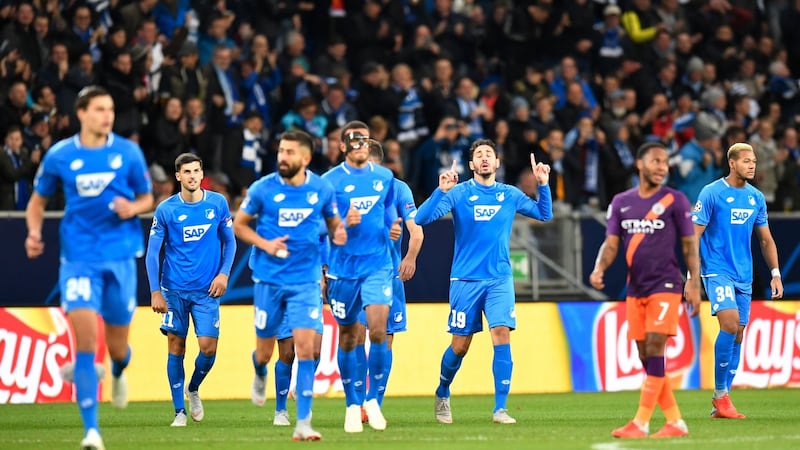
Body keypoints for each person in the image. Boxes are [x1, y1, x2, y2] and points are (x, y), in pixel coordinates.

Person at [24, 86, 154, 450]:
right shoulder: (60, 155)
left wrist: (135, 207)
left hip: (121, 257)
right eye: (99, 109)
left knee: (116, 348)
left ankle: (117, 370)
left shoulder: (128, 152)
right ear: (81, 112)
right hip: (79, 258)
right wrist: (33, 233)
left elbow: (147, 196)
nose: (107, 115)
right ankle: (92, 432)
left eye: (110, 109)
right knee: (85, 342)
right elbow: (37, 202)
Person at [414, 139, 553, 425]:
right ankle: (442, 391)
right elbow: (421, 217)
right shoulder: (459, 193)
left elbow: (544, 214)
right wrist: (440, 191)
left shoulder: (510, 194)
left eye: (489, 154)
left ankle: (500, 409)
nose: (485, 158)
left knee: (501, 332)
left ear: (497, 163)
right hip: (465, 279)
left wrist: (543, 184)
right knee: (460, 346)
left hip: (499, 278)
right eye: (479, 155)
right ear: (471, 165)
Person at [234, 130, 346, 441]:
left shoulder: (321, 189)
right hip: (269, 280)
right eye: (281, 151)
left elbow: (334, 225)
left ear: (306, 158)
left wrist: (339, 233)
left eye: (290, 152)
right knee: (265, 352)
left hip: (305, 281)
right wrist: (265, 244)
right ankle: (259, 372)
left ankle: (304, 422)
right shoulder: (263, 188)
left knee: (306, 350)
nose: (282, 156)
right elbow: (239, 225)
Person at [589, 142, 701, 438]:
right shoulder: (622, 202)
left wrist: (693, 281)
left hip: (665, 284)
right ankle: (675, 421)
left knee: (654, 346)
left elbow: (690, 245)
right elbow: (611, 244)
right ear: (640, 164)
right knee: (645, 356)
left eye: (665, 162)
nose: (662, 166)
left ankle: (640, 422)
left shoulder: (675, 200)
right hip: (635, 289)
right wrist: (600, 268)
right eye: (655, 161)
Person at [692, 142, 783, 419]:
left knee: (739, 333)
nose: (752, 165)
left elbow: (765, 239)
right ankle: (720, 396)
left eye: (753, 160)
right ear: (732, 163)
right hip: (716, 270)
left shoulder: (756, 197)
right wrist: (691, 277)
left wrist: (775, 273)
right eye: (746, 161)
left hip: (744, 274)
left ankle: (723, 401)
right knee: (730, 323)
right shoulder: (711, 193)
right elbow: (692, 237)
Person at [145, 153, 237, 427]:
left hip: (206, 291)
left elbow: (230, 244)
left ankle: (193, 388)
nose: (193, 176)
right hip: (173, 289)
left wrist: (223, 274)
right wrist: (154, 291)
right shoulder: (166, 210)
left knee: (208, 349)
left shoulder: (218, 203)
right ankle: (178, 412)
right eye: (187, 172)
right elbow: (152, 254)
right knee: (176, 345)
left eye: (197, 170)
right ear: (178, 176)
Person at [321, 120, 399, 433]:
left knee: (379, 330)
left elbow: (390, 210)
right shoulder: (328, 182)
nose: (360, 145)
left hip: (378, 264)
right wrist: (340, 224)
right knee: (350, 337)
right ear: (342, 147)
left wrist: (393, 228)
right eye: (354, 141)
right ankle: (352, 404)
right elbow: (319, 228)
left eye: (364, 140)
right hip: (343, 270)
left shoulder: (385, 176)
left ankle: (372, 401)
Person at [354, 140, 425, 421]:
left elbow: (416, 231)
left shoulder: (398, 189)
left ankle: (375, 402)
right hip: (355, 274)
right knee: (356, 336)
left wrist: (410, 258)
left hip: (387, 274)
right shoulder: (347, 186)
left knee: (383, 338)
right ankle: (357, 403)